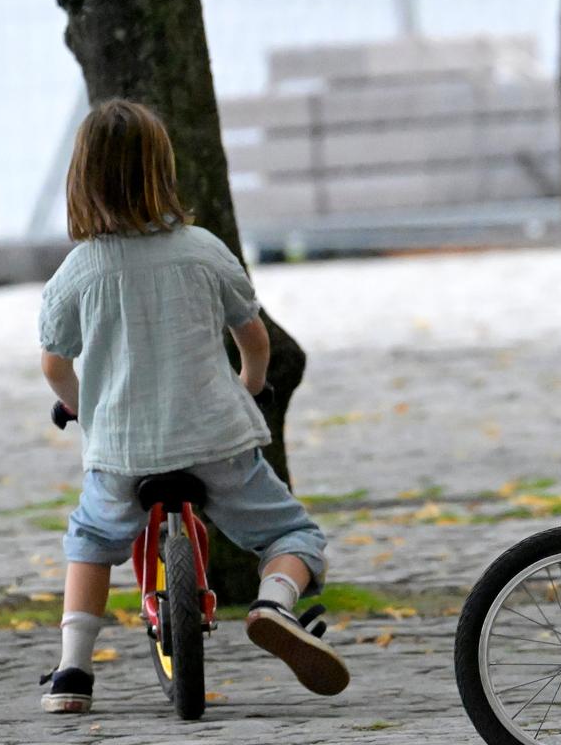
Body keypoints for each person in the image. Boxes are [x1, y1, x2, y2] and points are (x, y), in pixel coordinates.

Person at [38, 98, 349, 713]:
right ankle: (275, 604)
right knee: (292, 532)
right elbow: (253, 338)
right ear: (163, 171)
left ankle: (73, 671)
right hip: (216, 441)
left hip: (122, 453)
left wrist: (84, 410)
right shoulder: (203, 250)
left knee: (91, 539)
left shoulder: (77, 273)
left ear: (81, 180)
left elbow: (54, 365)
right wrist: (250, 385)